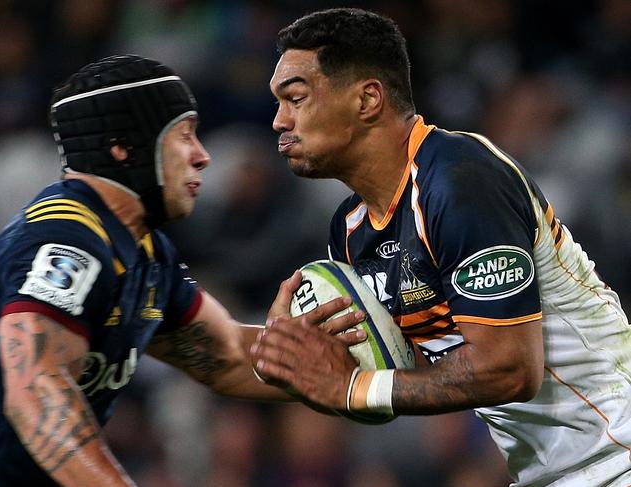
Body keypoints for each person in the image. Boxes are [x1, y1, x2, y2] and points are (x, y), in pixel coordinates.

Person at [251, 8, 631, 486]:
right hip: (551, 473)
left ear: (368, 98)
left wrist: (351, 388)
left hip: (618, 454)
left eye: (296, 98)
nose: (278, 121)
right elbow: (391, 378)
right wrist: (285, 350)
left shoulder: (458, 180)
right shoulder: (350, 231)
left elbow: (511, 369)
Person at [0, 54, 365, 487]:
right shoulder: (69, 240)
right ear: (122, 147)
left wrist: (366, 368)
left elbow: (228, 359)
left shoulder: (146, 252)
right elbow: (35, 392)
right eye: (183, 136)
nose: (202, 157)